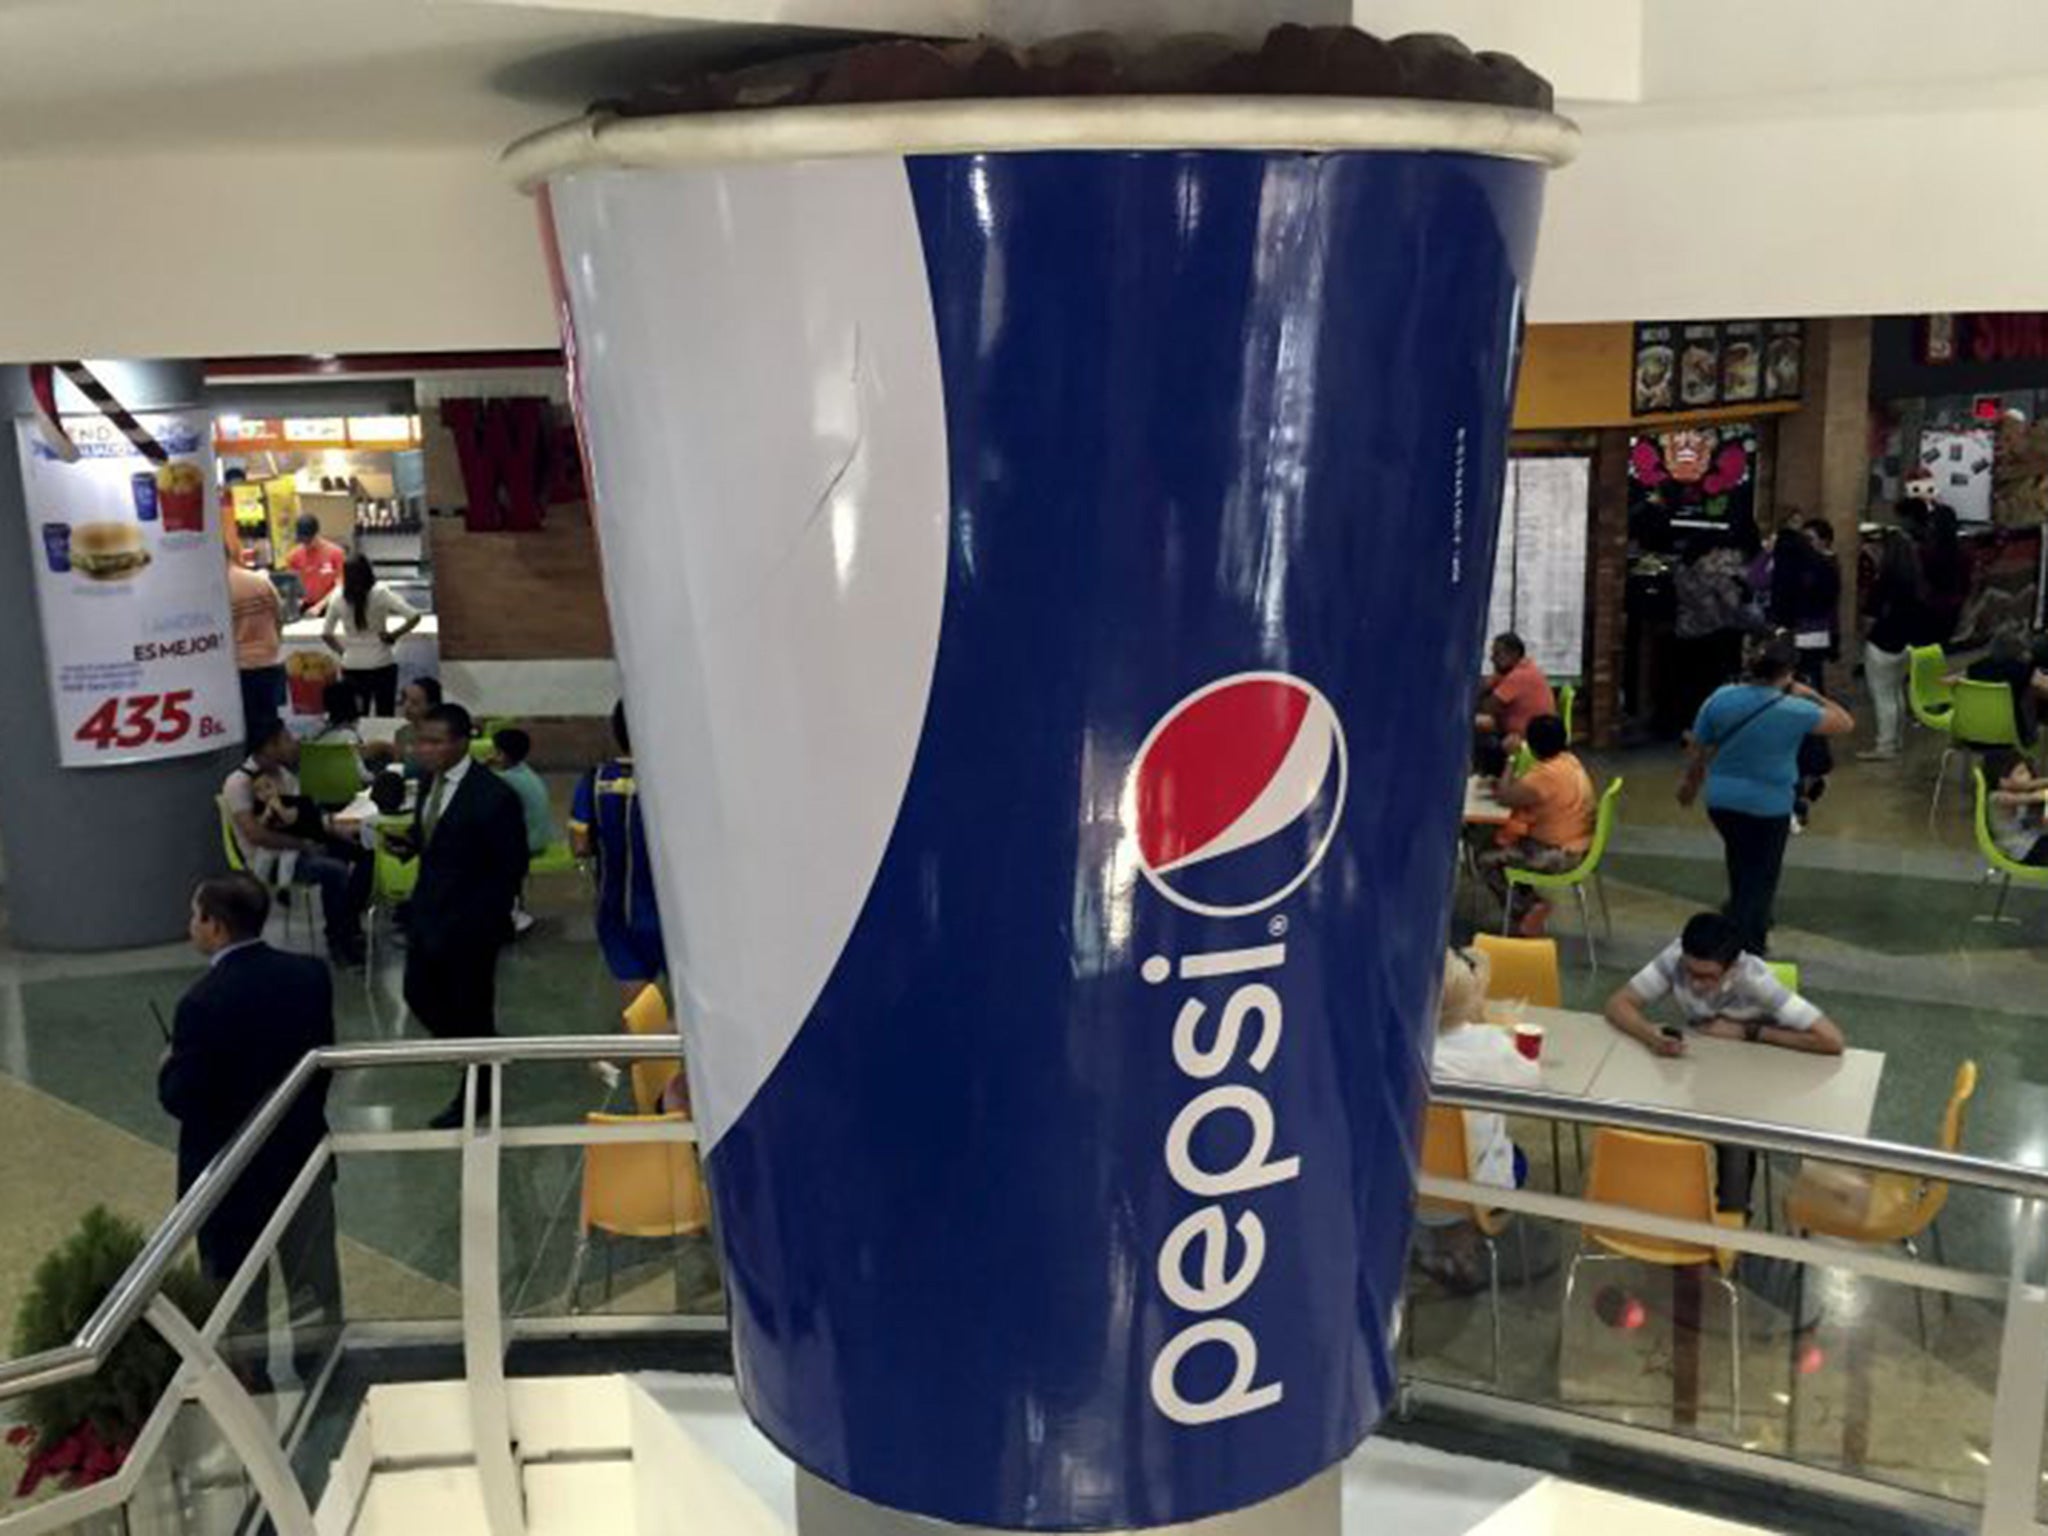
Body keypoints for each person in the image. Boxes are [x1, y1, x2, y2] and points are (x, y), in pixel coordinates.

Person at [159, 875, 339, 1321]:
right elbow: (322, 1061)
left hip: (229, 1175)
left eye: (194, 916)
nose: (190, 926)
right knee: (314, 1285)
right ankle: (321, 1366)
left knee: (235, 1297)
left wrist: (167, 1066)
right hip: (301, 1156)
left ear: (215, 926)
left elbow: (185, 1098)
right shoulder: (310, 976)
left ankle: (244, 1380)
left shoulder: (200, 1003)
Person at [1604, 913, 1846, 1211]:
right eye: (1691, 972)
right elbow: (1618, 1003)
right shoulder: (1677, 957)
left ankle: (1732, 1219)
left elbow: (1832, 1040)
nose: (1695, 983)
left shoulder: (1756, 981)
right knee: (1658, 1122)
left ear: (1733, 967)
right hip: (1705, 1072)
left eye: (1707, 977)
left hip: (1761, 1081)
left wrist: (1749, 1031)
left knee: (1734, 1140)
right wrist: (1651, 1036)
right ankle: (1671, 1207)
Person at [398, 702, 531, 1128]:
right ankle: (479, 1053)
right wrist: (412, 845)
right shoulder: (426, 784)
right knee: (418, 992)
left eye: (435, 742)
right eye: (421, 741)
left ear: (462, 742)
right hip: (429, 914)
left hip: (470, 925)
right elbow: (435, 837)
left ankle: (477, 1092)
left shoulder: (493, 796)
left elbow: (510, 867)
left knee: (471, 1007)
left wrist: (479, 921)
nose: (425, 750)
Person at [1680, 637, 1854, 956]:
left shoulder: (1720, 698)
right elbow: (1844, 723)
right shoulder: (1795, 709)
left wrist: (1690, 785)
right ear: (1788, 672)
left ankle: (1737, 919)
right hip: (1768, 804)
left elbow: (1698, 746)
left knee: (1740, 860)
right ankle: (1749, 945)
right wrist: (1810, 693)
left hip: (1722, 801)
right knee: (1762, 875)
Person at [1415, 946, 1539, 1292]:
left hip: (1407, 1188)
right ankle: (1460, 1252)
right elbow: (1530, 1083)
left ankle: (1432, 1249)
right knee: (1512, 1156)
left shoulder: (1404, 1047)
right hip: (1475, 1193)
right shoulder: (1490, 1044)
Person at [222, 721, 370, 965]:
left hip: (299, 847)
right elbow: (255, 834)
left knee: (363, 850)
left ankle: (348, 923)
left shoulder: (285, 776)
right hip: (268, 859)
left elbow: (305, 818)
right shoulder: (238, 783)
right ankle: (338, 939)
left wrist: (338, 828)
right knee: (334, 871)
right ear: (269, 746)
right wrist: (302, 845)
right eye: (287, 739)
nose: (294, 745)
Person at [572, 702, 666, 1008]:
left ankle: (635, 1052)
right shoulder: (673, 782)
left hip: (616, 911)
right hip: (672, 915)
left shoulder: (595, 780)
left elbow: (580, 845)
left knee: (638, 1009)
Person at [1476, 714, 1593, 936]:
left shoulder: (1544, 776)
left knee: (1486, 859)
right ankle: (1529, 902)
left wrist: (1511, 758)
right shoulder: (1569, 761)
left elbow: (1504, 797)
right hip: (1579, 846)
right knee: (1503, 847)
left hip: (1557, 854)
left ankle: (1527, 911)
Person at [322, 554, 422, 717]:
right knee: (385, 714)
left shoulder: (338, 596)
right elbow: (414, 616)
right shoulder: (380, 592)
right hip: (381, 663)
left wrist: (343, 652)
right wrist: (394, 635)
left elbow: (326, 634)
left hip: (352, 665)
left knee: (357, 716)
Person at [1858, 527, 1922, 762]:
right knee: (1896, 693)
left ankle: (1885, 745)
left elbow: (1869, 616)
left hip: (1881, 642)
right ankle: (1896, 740)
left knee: (1883, 695)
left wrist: (1863, 635)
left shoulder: (1884, 581)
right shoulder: (1915, 581)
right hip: (1905, 643)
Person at [1767, 523, 1840, 691]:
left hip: (1791, 630)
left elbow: (1760, 583)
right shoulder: (1825, 566)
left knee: (1788, 678)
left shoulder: (1787, 566)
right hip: (1817, 629)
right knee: (1813, 676)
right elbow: (1831, 602)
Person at [225, 546, 286, 735]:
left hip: (241, 668)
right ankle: (273, 761)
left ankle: (258, 762)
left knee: (251, 727)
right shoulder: (260, 581)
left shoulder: (217, 588)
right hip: (270, 661)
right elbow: (279, 616)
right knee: (271, 722)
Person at [1962, 628, 2046, 747]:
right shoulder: (2021, 670)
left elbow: (1953, 681)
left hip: (1975, 736)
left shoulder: (1973, 668)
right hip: (2014, 738)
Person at [1474, 633, 1556, 752]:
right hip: (1527, 732)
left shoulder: (1519, 676)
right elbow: (1486, 686)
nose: (1491, 659)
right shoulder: (1524, 667)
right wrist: (1491, 681)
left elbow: (1487, 707)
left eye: (1497, 654)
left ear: (1514, 654)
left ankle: (1481, 769)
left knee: (1473, 731)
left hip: (1528, 741)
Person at [490, 728, 557, 856]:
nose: (492, 755)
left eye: (496, 752)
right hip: (540, 840)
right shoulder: (524, 770)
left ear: (503, 755)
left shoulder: (506, 779)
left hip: (526, 846)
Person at [1983, 749, 2048, 865]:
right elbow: (2033, 797)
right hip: (2019, 850)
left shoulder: (2011, 788)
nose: (2028, 775)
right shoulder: (1998, 798)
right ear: (2004, 781)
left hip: (2028, 842)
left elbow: (2031, 784)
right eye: (2021, 773)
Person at [287, 513, 347, 613]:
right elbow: (292, 585)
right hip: (306, 606)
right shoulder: (294, 556)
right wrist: (297, 600)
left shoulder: (336, 553)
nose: (306, 545)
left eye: (309, 541)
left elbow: (340, 585)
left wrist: (320, 606)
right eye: (303, 541)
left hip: (330, 605)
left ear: (317, 534)